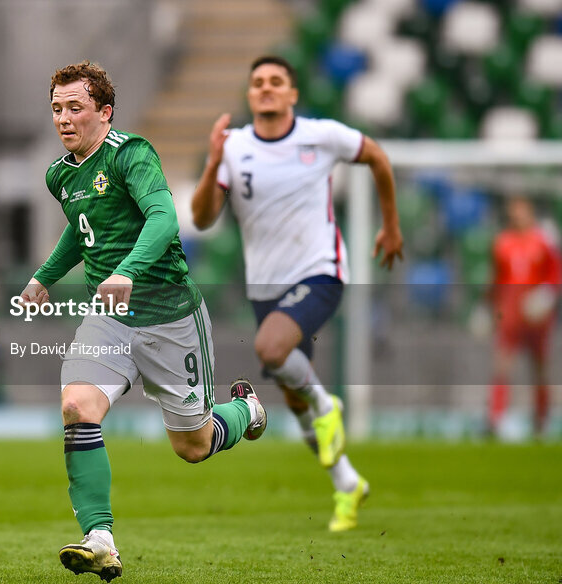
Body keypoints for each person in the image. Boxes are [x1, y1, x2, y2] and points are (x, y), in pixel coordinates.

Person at [19, 61, 267, 581]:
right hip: (109, 318)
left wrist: (128, 271)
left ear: (104, 112)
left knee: (192, 446)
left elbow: (162, 217)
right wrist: (45, 277)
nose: (64, 119)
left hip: (171, 316)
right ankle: (100, 538)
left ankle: (244, 410)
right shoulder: (59, 174)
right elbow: (81, 229)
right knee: (76, 405)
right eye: (56, 110)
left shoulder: (132, 154)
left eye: (75, 109)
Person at [190, 55, 403, 532]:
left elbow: (377, 157)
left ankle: (330, 407)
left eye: (276, 82)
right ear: (249, 95)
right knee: (294, 402)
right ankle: (347, 484)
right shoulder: (234, 146)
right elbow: (203, 219)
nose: (266, 88)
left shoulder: (321, 135)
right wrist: (211, 162)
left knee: (270, 348)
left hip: (320, 272)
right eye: (258, 82)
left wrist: (390, 225)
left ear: (292, 94)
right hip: (265, 288)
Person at [488, 196, 561, 438]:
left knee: (539, 368)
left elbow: (555, 275)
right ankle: (496, 419)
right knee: (502, 365)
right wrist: (487, 308)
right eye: (513, 212)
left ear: (530, 213)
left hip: (536, 315)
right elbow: (496, 280)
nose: (516, 216)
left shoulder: (543, 241)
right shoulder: (502, 243)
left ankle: (541, 420)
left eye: (521, 212)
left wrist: (546, 295)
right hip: (510, 313)